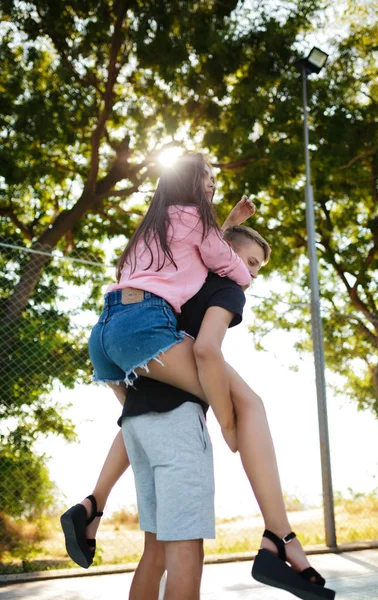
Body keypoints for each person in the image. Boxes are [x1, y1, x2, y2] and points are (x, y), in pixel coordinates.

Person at [61, 154, 335, 599]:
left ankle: (93, 505)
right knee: (248, 406)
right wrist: (225, 425)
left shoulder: (158, 228)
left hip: (109, 333)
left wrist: (228, 226)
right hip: (150, 348)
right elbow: (216, 300)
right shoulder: (225, 285)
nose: (250, 273)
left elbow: (208, 247)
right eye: (253, 263)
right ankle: (280, 538)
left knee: (154, 549)